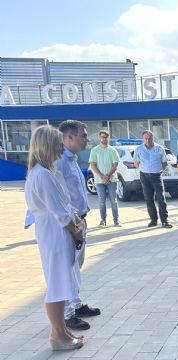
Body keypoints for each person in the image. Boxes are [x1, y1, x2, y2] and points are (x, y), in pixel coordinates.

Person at [25, 125, 85, 350]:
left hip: (53, 231)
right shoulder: (42, 175)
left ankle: (61, 331)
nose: (62, 147)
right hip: (55, 233)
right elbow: (59, 211)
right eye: (58, 143)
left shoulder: (41, 172)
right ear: (48, 145)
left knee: (60, 283)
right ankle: (58, 335)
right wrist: (75, 228)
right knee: (57, 284)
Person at [57, 120, 101, 331]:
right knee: (67, 268)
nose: (86, 139)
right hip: (69, 224)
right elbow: (61, 199)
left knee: (76, 265)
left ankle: (75, 304)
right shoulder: (59, 162)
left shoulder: (71, 159)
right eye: (83, 135)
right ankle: (67, 314)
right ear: (69, 137)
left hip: (80, 220)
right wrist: (73, 225)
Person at [133, 130, 172, 228]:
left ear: (152, 138)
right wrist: (143, 168)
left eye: (149, 138)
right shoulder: (139, 149)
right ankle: (153, 220)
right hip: (144, 176)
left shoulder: (160, 148)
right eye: (145, 139)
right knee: (148, 199)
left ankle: (164, 220)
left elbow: (164, 163)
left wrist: (158, 170)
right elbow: (136, 163)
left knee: (161, 198)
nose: (147, 140)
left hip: (156, 175)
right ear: (143, 139)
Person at [89, 130, 120, 227]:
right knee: (102, 201)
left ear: (108, 138)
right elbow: (93, 165)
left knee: (113, 200)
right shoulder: (94, 150)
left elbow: (115, 165)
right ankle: (103, 220)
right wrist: (102, 177)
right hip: (99, 181)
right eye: (102, 137)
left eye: (106, 137)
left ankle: (116, 220)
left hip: (112, 180)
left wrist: (108, 176)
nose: (104, 138)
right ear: (99, 138)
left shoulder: (112, 150)